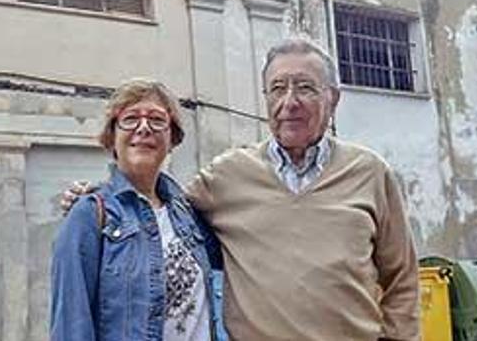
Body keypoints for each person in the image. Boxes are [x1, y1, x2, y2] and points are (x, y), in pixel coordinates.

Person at [63, 37, 420, 340]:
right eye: (278, 88)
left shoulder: (370, 173)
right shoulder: (228, 175)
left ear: (333, 99)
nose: (289, 102)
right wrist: (98, 197)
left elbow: (402, 278)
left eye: (306, 87)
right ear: (266, 97)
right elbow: (154, 208)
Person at [50, 78, 222, 341]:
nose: (144, 128)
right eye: (130, 119)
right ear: (112, 136)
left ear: (172, 136)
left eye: (157, 119)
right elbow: (71, 327)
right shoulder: (88, 215)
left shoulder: (189, 215)